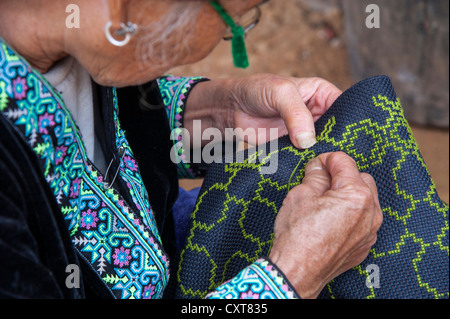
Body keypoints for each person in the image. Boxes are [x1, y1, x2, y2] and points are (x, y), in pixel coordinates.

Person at [0, 0, 382, 299]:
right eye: (233, 22)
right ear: (126, 9)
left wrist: (215, 116)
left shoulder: (76, 36)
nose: (225, 36)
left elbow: (104, 123)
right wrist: (292, 277)